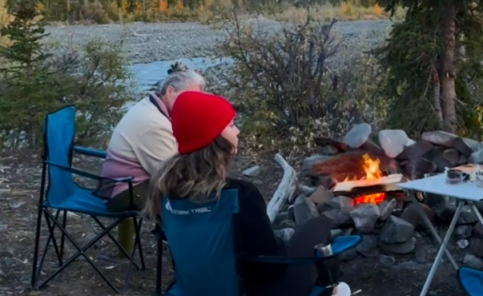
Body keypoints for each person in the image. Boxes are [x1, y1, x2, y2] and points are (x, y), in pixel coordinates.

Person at [145, 91, 350, 296]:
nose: (238, 131)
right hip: (249, 290)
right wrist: (282, 248)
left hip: (192, 288)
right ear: (215, 137)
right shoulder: (237, 195)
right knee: (318, 226)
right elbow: (269, 267)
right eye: (231, 125)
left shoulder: (164, 190)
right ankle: (331, 290)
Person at [99, 67, 206, 212]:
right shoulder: (155, 125)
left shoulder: (149, 104)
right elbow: (171, 176)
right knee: (198, 201)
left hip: (123, 184)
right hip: (125, 193)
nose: (194, 104)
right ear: (170, 91)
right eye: (190, 97)